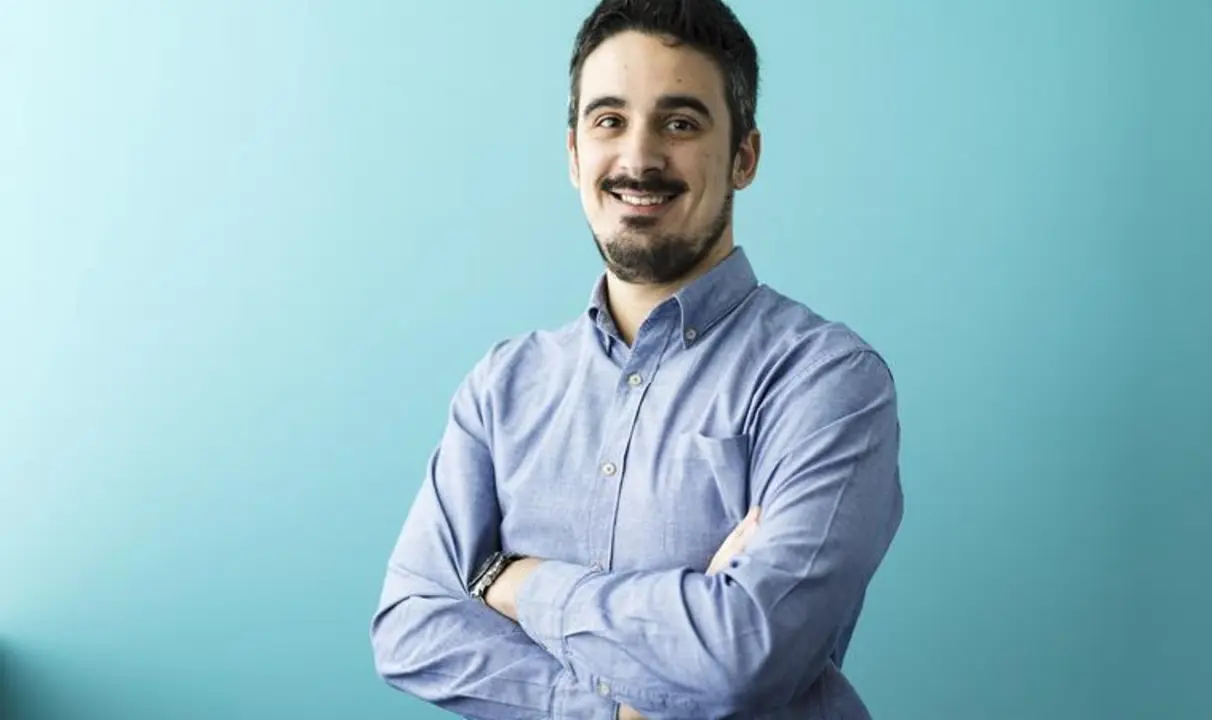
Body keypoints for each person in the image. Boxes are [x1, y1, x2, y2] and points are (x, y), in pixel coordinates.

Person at [369, 0, 904, 717]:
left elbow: (747, 653)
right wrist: (613, 708)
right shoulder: (503, 387)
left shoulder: (827, 382)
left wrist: (517, 582)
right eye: (609, 121)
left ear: (744, 157)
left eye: (680, 124)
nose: (639, 159)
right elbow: (410, 627)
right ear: (573, 155)